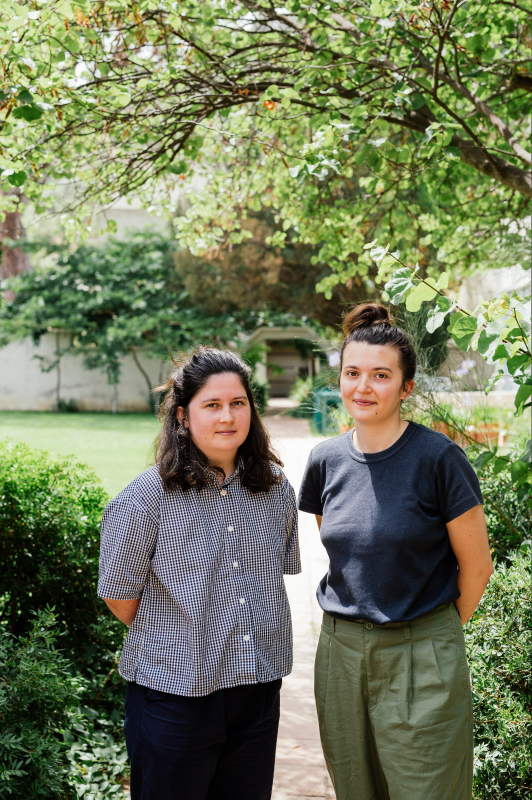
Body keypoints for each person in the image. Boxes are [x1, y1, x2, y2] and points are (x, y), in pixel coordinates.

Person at [298, 303, 493, 800]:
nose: (363, 387)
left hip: (420, 652)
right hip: (339, 656)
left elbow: (476, 568)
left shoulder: (439, 460)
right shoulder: (325, 461)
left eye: (380, 375)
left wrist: (429, 636)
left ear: (406, 388)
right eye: (353, 373)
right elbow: (344, 552)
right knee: (356, 790)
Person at [98, 347, 301, 800]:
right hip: (174, 699)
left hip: (258, 690)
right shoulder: (146, 498)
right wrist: (180, 636)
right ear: (183, 416)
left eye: (238, 403)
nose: (227, 416)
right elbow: (119, 596)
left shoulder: (275, 488)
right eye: (212, 405)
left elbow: (273, 578)